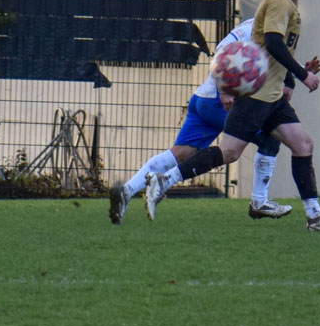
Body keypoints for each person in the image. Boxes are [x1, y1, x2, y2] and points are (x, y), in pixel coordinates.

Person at [144, 0, 320, 231]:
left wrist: (291, 78)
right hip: (256, 95)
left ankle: (315, 217)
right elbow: (274, 43)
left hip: (272, 96)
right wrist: (303, 75)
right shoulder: (279, 1)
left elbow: (274, 50)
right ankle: (164, 180)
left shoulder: (287, 3)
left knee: (303, 144)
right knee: (229, 152)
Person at [108, 15, 288, 224]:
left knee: (179, 153)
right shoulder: (253, 27)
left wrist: (301, 70)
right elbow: (221, 49)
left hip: (203, 99)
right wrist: (224, 90)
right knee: (269, 138)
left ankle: (126, 191)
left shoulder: (265, 29)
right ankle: (259, 201)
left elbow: (268, 64)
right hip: (218, 102)